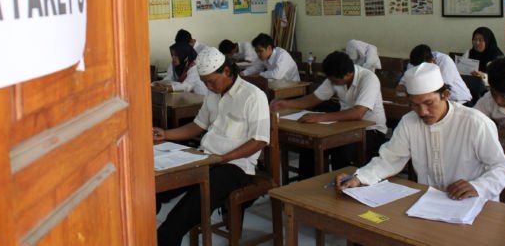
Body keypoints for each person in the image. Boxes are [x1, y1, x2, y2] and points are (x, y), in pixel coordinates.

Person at [335, 62, 505, 202]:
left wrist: (479, 187)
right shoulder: (409, 122)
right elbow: (390, 160)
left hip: (473, 203)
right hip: (429, 202)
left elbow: (502, 168)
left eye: (429, 103)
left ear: (445, 95)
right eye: (414, 105)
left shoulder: (475, 123)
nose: (422, 112)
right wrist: (360, 177)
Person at [154, 47, 270, 246]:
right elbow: (197, 125)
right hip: (206, 158)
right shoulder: (213, 94)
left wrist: (223, 158)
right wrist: (167, 134)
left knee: (181, 215)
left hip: (236, 166)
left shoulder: (253, 96)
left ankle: (165, 237)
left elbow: (259, 140)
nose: (208, 87)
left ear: (226, 72)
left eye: (211, 81)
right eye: (204, 82)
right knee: (156, 190)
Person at [270, 51, 387, 178]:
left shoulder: (369, 79)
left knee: (341, 152)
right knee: (310, 149)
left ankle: (344, 186)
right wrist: (286, 104)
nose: (332, 83)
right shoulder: (335, 77)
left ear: (348, 74)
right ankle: (307, 187)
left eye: (334, 81)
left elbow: (358, 113)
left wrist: (320, 117)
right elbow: (314, 98)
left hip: (371, 131)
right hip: (344, 126)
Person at [398, 44, 472, 104]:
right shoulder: (413, 64)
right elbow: (400, 87)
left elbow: (441, 89)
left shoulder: (444, 60)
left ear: (433, 61)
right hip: (431, 103)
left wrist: (415, 87)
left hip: (460, 101)